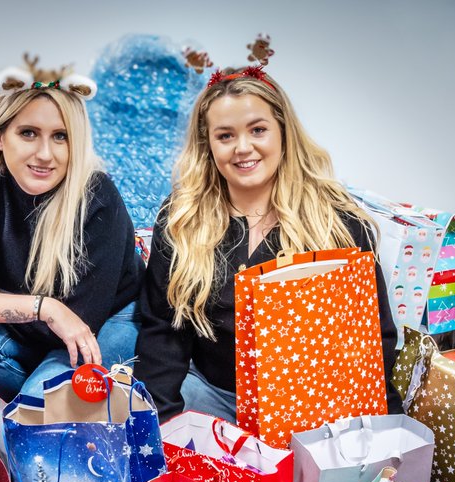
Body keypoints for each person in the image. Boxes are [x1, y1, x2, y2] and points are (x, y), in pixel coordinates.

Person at [134, 64, 403, 422]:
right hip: (211, 394)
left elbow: (372, 339)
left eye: (258, 130)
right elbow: (163, 330)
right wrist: (163, 424)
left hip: (313, 406)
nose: (243, 148)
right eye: (225, 136)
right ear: (208, 145)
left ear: (283, 133)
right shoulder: (182, 218)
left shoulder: (336, 221)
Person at [0, 59, 141, 401]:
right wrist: (43, 308)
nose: (45, 154)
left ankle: (37, 400)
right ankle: (36, 399)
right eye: (28, 133)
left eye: (60, 137)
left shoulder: (97, 195)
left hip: (102, 323)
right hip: (40, 322)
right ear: (0, 136)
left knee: (45, 402)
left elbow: (79, 322)